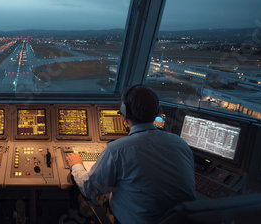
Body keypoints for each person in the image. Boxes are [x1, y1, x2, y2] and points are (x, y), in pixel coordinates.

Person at [67, 85, 196, 223]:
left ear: (124, 112)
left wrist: (77, 165)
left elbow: (89, 188)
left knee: (78, 192)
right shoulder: (180, 144)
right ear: (158, 112)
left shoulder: (117, 149)